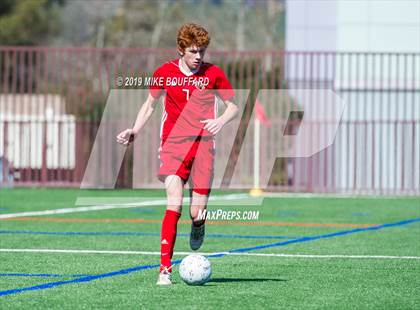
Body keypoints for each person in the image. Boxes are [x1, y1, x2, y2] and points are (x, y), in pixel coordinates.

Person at [116, 23, 238, 285]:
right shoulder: (164, 73)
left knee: (197, 212)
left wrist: (221, 121)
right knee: (174, 202)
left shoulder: (213, 73)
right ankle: (164, 270)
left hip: (203, 146)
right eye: (194, 51)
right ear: (180, 50)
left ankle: (198, 224)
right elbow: (149, 105)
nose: (199, 57)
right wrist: (135, 130)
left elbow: (233, 107)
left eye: (202, 51)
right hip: (173, 145)